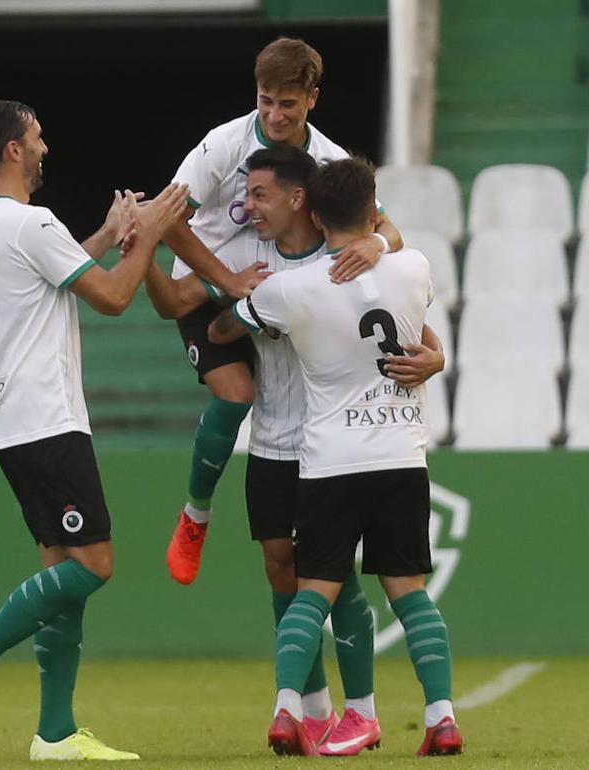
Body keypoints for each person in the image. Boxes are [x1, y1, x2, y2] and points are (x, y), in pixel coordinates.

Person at [0, 97, 188, 761]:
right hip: (45, 414)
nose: (45, 147)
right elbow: (113, 298)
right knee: (94, 565)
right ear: (13, 149)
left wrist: (104, 235)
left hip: (9, 415)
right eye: (37, 137)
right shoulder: (32, 222)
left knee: (61, 575)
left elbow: (50, 278)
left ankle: (56, 733)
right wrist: (150, 232)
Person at [181, 145, 444, 754]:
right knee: (355, 579)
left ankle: (325, 709)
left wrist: (247, 308)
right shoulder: (409, 265)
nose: (246, 207)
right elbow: (409, 304)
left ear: (309, 207)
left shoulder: (298, 285)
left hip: (327, 452)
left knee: (320, 584)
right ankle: (424, 714)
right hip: (360, 448)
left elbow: (219, 328)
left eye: (259, 195)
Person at [146, 37, 407, 587]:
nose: (274, 114)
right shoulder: (223, 145)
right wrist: (226, 280)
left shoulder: (331, 160)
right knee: (236, 392)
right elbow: (166, 219)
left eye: (287, 103)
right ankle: (195, 514)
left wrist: (377, 245)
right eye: (266, 100)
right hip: (211, 279)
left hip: (287, 284)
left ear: (312, 98)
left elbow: (390, 230)